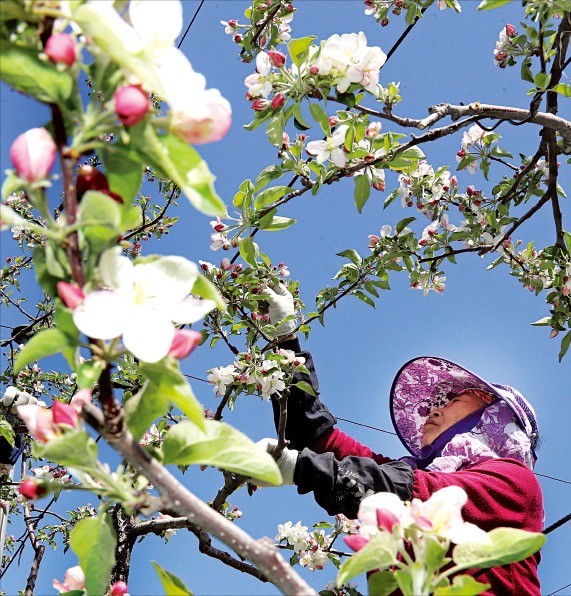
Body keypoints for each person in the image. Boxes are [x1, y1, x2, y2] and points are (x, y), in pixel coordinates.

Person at [256, 283, 544, 595]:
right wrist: (285, 341)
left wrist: (303, 468)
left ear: (496, 416)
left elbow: (416, 494)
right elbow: (316, 438)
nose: (435, 408)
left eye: (454, 398)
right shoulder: (401, 476)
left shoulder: (515, 483)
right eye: (434, 402)